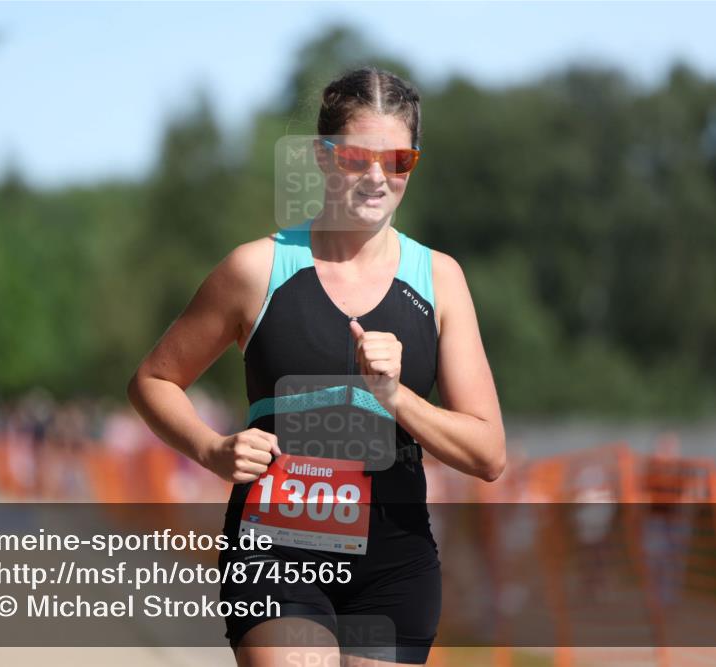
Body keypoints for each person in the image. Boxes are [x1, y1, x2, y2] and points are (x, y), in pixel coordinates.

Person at [128, 66, 506, 667]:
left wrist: (398, 397)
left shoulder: (440, 280)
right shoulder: (256, 269)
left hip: (394, 560)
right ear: (324, 158)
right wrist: (210, 450)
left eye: (400, 161)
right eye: (359, 158)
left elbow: (489, 455)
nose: (378, 177)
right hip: (277, 548)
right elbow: (153, 380)